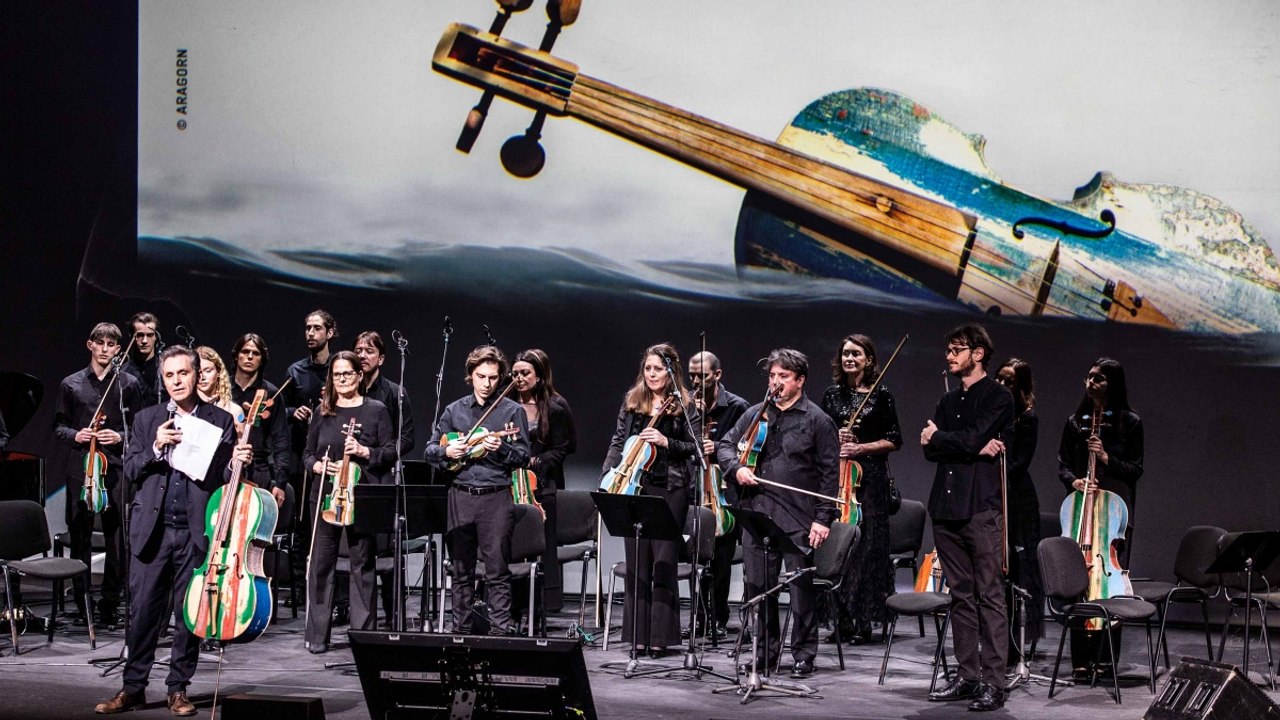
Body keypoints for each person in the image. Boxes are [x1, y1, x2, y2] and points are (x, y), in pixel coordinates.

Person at [93, 345, 248, 716]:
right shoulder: (147, 419)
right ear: (163, 380)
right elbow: (130, 471)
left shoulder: (220, 420)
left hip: (195, 530)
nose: (177, 381)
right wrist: (155, 447)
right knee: (144, 612)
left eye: (184, 373)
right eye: (170, 375)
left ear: (197, 375)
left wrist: (239, 463)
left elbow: (222, 478)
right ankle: (132, 688)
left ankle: (178, 689)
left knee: (188, 613)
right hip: (152, 531)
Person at [716, 348, 839, 679]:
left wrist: (822, 518)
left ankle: (803, 655)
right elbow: (724, 445)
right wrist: (736, 468)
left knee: (801, 591)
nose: (775, 383)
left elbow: (830, 475)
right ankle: (765, 655)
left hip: (798, 517)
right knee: (758, 588)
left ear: (800, 380)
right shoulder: (756, 414)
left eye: (783, 377)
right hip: (756, 514)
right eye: (772, 376)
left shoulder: (818, 420)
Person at [920, 324, 1013, 712]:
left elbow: (968, 438)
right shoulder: (947, 401)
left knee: (989, 594)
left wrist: (942, 438)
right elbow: (930, 451)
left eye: (956, 349)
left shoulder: (998, 397)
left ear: (977, 353)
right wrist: (961, 444)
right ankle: (967, 675)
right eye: (948, 349)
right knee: (959, 595)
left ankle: (993, 681)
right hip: (945, 507)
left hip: (980, 507)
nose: (949, 356)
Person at [425, 346, 530, 635]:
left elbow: (523, 457)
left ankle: (499, 633)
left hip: (496, 496)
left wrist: (504, 448)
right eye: (481, 376)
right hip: (460, 495)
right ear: (470, 376)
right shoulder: (454, 410)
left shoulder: (512, 411)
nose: (487, 383)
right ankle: (461, 632)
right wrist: (448, 451)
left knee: (497, 571)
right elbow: (430, 450)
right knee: (461, 572)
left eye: (494, 378)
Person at [601, 343, 696, 655]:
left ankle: (661, 638)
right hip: (633, 487)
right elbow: (618, 441)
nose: (652, 374)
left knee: (664, 562)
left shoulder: (686, 405)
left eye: (658, 369)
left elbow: (694, 448)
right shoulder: (632, 402)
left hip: (671, 489)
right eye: (648, 369)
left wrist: (666, 441)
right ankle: (637, 637)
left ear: (671, 372)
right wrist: (610, 475)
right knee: (637, 563)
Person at [301, 350, 395, 653]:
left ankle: (363, 635)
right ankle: (317, 636)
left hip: (360, 496)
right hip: (327, 496)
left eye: (347, 373)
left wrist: (366, 452)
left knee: (362, 564)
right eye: (337, 374)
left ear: (358, 376)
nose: (342, 378)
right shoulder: (323, 411)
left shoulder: (376, 410)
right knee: (321, 566)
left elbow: (390, 451)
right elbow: (307, 454)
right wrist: (316, 466)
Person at [1056, 357, 1143, 675]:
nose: (1090, 382)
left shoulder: (1130, 423)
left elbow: (1136, 469)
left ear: (1113, 384)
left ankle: (1106, 659)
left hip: (1113, 513)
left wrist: (1107, 458)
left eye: (1098, 378)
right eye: (1088, 377)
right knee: (1080, 582)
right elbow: (1063, 464)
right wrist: (1074, 480)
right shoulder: (1075, 421)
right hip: (1080, 508)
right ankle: (1080, 660)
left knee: (1109, 584)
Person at [54, 322, 142, 630]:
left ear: (119, 349)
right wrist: (78, 435)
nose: (105, 349)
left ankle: (109, 602)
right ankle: (82, 602)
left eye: (111, 344)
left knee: (117, 539)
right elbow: (59, 427)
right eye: (99, 343)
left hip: (116, 468)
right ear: (90, 345)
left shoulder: (128, 385)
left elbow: (137, 430)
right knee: (80, 537)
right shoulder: (71, 384)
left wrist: (119, 437)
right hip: (81, 468)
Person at [818, 334, 902, 645]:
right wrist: (834, 439)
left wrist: (861, 447)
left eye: (856, 353)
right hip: (839, 479)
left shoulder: (882, 396)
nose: (849, 359)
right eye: (845, 354)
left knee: (866, 550)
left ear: (869, 359)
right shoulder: (831, 395)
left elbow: (894, 439)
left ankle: (864, 621)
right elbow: (821, 436)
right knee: (839, 547)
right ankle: (839, 620)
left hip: (870, 482)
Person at [685, 350, 747, 640]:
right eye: (692, 376)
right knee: (696, 558)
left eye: (703, 376)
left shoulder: (736, 407)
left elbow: (745, 450)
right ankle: (697, 618)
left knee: (721, 560)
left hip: (724, 493)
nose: (696, 381)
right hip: (693, 489)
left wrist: (719, 448)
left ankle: (718, 618)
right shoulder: (684, 405)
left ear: (718, 375)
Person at [512, 349, 576, 613]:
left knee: (543, 546)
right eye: (515, 373)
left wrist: (534, 462)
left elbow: (565, 447)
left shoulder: (556, 407)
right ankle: (514, 605)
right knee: (514, 545)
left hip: (543, 485)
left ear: (539, 376)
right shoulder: (506, 404)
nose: (519, 378)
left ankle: (543, 606)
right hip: (511, 484)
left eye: (525, 373)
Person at [996, 358, 1043, 651]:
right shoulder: (992, 414)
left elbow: (1017, 464)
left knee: (1018, 569)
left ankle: (1017, 640)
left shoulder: (1027, 418)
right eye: (999, 379)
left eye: (1009, 382)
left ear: (1020, 386)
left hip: (1017, 499)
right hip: (994, 494)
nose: (1001, 385)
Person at [228, 333, 289, 509]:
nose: (249, 356)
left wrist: (280, 482)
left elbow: (281, 440)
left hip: (258, 469)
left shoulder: (271, 393)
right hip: (226, 466)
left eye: (255, 353)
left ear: (262, 359)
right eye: (245, 351)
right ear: (236, 355)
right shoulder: (223, 389)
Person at [122, 312, 165, 407]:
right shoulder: (122, 373)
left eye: (150, 335)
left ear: (156, 337)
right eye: (140, 335)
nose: (144, 341)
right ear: (131, 336)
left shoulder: (167, 369)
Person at [195, 346, 244, 426]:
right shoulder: (186, 408)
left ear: (218, 372)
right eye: (198, 372)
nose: (202, 377)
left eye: (207, 371)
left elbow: (242, 438)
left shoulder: (233, 410)